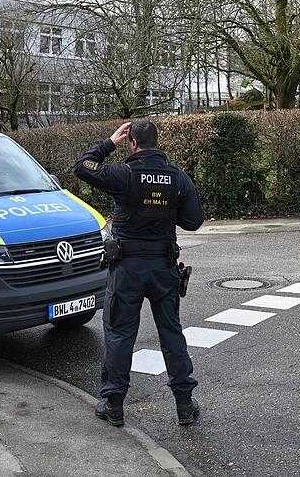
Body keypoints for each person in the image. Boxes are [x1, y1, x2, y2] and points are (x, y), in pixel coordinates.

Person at [73, 119, 205, 427]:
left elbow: (83, 167)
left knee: (120, 335)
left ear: (132, 143)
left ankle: (114, 405)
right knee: (171, 334)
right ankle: (185, 404)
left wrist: (109, 142)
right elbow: (193, 221)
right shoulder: (178, 178)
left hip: (127, 269)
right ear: (157, 144)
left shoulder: (124, 174)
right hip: (163, 268)